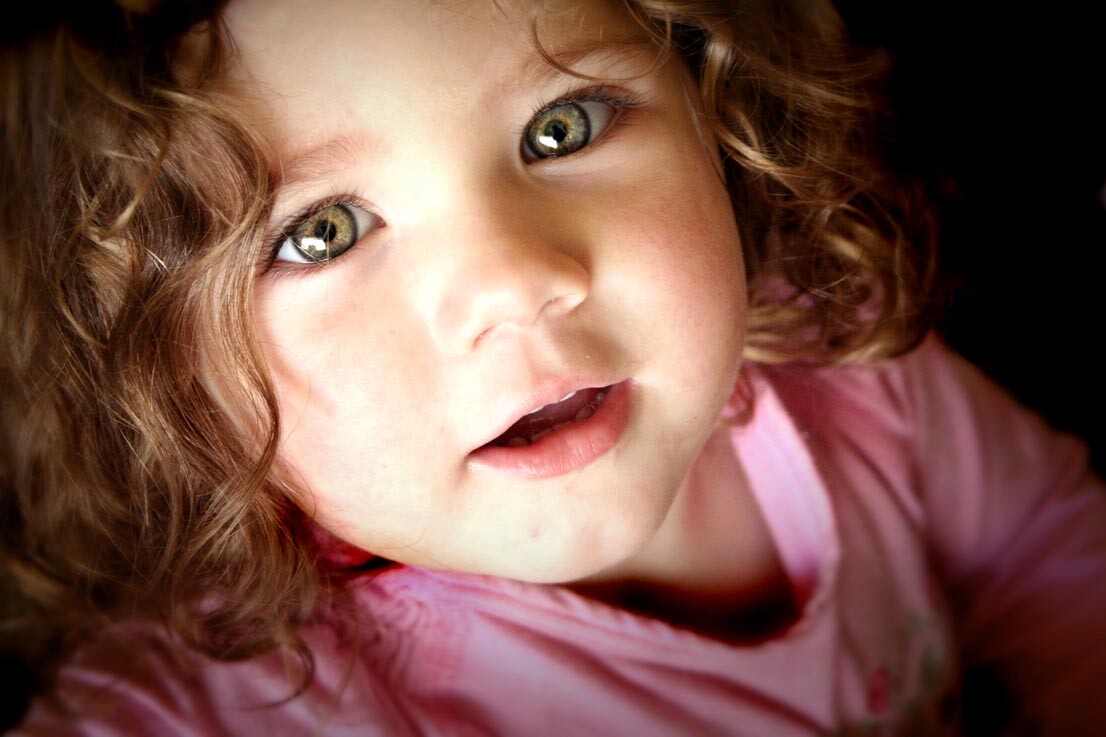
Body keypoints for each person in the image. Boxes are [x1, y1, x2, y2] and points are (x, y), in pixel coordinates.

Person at [2, 0, 1104, 734]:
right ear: (150, 365)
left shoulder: (841, 357)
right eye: (321, 232)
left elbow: (1045, 557)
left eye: (563, 126)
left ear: (710, 114)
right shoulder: (246, 696)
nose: (516, 282)